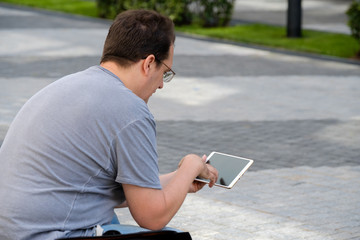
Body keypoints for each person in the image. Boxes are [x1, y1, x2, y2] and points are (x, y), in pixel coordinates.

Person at [0, 9, 218, 239]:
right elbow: (152, 217)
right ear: (149, 63)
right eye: (165, 73)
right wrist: (191, 166)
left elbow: (104, 190)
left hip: (12, 230)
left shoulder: (69, 85)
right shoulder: (131, 110)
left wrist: (180, 180)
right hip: (49, 234)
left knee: (110, 217)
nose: (162, 86)